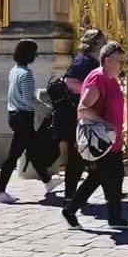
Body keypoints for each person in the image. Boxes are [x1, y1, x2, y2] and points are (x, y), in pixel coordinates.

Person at [62, 41, 128, 230]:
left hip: (111, 140)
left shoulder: (110, 78)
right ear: (107, 60)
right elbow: (83, 109)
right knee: (113, 176)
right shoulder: (97, 79)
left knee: (98, 177)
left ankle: (70, 211)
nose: (121, 64)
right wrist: (106, 124)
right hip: (100, 140)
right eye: (119, 61)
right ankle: (115, 219)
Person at [0, 40, 59, 203]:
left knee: (32, 151)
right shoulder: (26, 74)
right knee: (14, 155)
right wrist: (45, 107)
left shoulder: (14, 71)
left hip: (14, 115)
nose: (36, 56)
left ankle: (48, 182)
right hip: (24, 117)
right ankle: (0, 191)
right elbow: (29, 99)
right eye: (35, 53)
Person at [50, 29, 105, 200]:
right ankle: (71, 195)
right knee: (79, 157)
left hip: (85, 115)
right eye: (103, 41)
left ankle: (112, 190)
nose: (105, 43)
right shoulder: (83, 61)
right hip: (77, 115)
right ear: (96, 43)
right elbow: (70, 82)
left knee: (91, 157)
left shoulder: (92, 60)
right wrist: (90, 94)